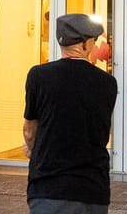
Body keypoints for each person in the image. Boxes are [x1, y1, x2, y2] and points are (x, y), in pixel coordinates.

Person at [23, 13, 118, 214]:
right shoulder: (107, 83)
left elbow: (30, 131)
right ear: (86, 44)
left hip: (50, 187)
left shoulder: (38, 76)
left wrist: (33, 150)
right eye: (93, 41)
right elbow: (104, 132)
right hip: (94, 188)